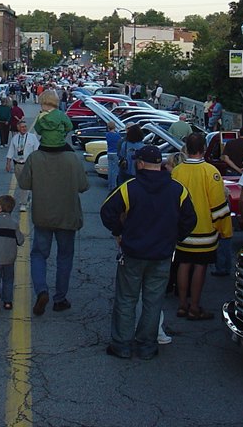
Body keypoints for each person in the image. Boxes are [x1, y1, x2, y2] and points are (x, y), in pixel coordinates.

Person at [100, 145, 197, 360]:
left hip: (133, 252)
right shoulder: (177, 189)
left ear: (141, 163)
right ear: (160, 165)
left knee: (126, 299)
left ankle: (122, 345)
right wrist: (174, 238)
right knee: (153, 301)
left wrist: (119, 232)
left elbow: (107, 211)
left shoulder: (130, 187)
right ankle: (146, 345)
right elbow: (190, 219)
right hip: (162, 254)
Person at [16, 125, 89, 316]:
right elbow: (83, 186)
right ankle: (60, 299)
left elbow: (23, 183)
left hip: (43, 215)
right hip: (67, 215)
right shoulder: (73, 158)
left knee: (39, 254)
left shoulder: (35, 158)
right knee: (65, 256)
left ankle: (41, 290)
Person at [170, 132, 232, 320]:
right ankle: (195, 307)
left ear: (187, 149)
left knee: (182, 264)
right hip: (204, 231)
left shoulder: (177, 171)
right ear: (204, 149)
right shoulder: (210, 171)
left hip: (182, 231)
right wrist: (225, 229)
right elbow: (218, 206)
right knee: (200, 267)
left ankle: (182, 305)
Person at [5, 120, 39, 212]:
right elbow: (11, 151)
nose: (24, 128)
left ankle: (23, 204)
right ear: (18, 128)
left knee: (25, 184)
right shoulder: (15, 139)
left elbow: (37, 151)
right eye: (22, 127)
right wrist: (8, 163)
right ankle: (27, 198)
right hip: (18, 164)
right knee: (22, 184)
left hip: (28, 164)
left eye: (25, 127)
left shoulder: (32, 138)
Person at [105, 121, 123, 192]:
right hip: (115, 153)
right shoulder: (117, 136)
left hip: (109, 152)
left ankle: (110, 185)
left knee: (110, 170)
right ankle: (114, 186)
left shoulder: (107, 135)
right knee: (115, 170)